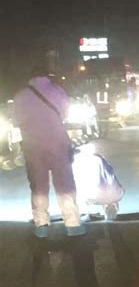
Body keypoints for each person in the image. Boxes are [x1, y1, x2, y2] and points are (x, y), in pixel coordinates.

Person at [13, 66, 85, 238]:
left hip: (33, 146)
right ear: (47, 75)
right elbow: (66, 113)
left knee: (39, 186)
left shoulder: (20, 95)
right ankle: (72, 224)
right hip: (58, 143)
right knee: (64, 183)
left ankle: (41, 225)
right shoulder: (57, 90)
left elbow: (16, 121)